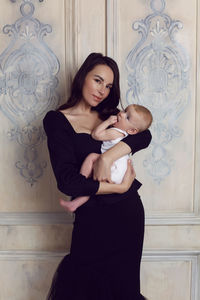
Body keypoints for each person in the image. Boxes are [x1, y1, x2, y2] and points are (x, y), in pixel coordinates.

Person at [43, 52, 152, 300]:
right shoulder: (57, 120)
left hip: (127, 215)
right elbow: (67, 181)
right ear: (83, 77)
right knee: (85, 287)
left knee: (124, 290)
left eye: (109, 85)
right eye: (98, 80)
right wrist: (116, 188)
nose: (102, 90)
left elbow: (145, 135)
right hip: (92, 218)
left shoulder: (111, 114)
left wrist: (107, 157)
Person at [60, 104, 153, 212]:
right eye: (124, 110)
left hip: (114, 169)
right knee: (92, 182)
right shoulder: (124, 134)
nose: (121, 114)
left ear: (132, 131)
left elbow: (96, 135)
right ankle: (77, 201)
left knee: (91, 158)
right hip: (120, 174)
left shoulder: (116, 132)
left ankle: (82, 180)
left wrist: (108, 122)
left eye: (127, 117)